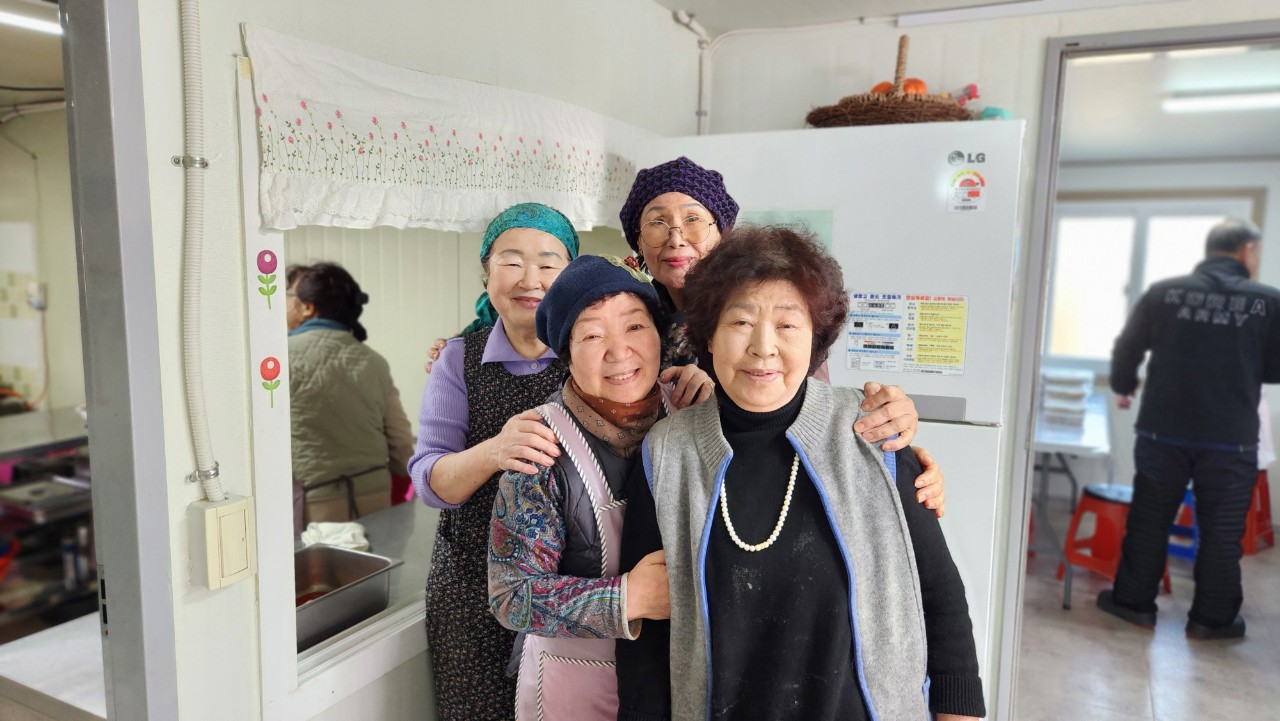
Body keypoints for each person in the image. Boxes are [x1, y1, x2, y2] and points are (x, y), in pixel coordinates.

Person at [617, 225, 985, 721]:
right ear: (709, 337)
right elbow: (646, 640)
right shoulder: (666, 453)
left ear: (815, 338)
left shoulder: (872, 431)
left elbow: (940, 597)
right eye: (741, 322)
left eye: (787, 325)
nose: (763, 347)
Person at [487, 255, 679, 721]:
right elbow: (510, 595)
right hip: (573, 690)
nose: (619, 351)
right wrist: (630, 598)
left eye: (635, 327)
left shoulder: (692, 415)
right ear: (567, 354)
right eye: (592, 336)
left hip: (671, 686)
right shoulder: (540, 449)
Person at [1099, 219, 1280, 640]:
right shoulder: (1270, 301)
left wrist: (1124, 386)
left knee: (1149, 521)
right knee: (1221, 532)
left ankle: (1134, 604)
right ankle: (1212, 619)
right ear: (1248, 251)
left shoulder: (1165, 292)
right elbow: (1275, 368)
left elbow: (1127, 346)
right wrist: (1244, 366)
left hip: (1162, 432)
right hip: (1230, 439)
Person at [285, 262, 414, 532]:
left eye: (288, 296)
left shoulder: (280, 358)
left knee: (320, 563)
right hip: (376, 497)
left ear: (307, 307)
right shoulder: (374, 361)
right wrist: (408, 479)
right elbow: (400, 438)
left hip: (318, 502)